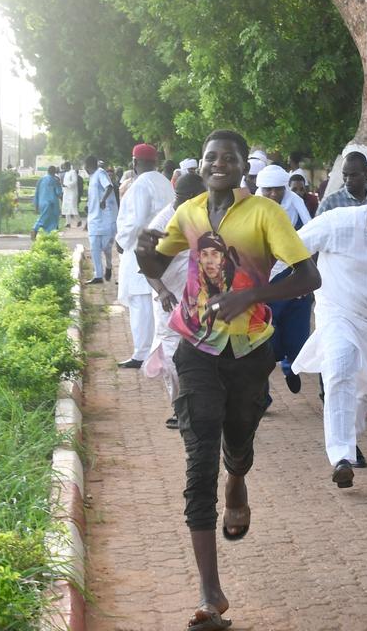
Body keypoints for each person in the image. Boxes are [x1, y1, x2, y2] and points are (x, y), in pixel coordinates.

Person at [134, 129, 320, 631]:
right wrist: (142, 252)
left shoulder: (265, 213)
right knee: (199, 456)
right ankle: (210, 594)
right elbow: (158, 261)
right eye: (211, 157)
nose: (219, 164)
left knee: (238, 436)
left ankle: (238, 478)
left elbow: (308, 277)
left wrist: (250, 295)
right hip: (194, 342)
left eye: (229, 158)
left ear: (243, 167)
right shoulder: (190, 210)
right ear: (203, 164)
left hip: (250, 347)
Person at [292, 179, 367, 486]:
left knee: (364, 389)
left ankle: (349, 436)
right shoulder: (339, 223)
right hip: (337, 309)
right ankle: (341, 457)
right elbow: (291, 247)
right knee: (341, 367)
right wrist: (262, 283)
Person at [144, 172, 207, 430]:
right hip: (168, 300)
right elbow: (147, 268)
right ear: (190, 197)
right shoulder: (163, 223)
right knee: (172, 356)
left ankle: (199, 407)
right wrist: (162, 291)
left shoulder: (199, 215)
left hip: (195, 298)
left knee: (201, 351)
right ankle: (180, 409)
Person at [116, 145, 177, 369]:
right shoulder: (163, 181)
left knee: (141, 303)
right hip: (162, 251)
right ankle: (153, 352)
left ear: (134, 162)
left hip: (140, 249)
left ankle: (141, 354)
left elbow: (137, 220)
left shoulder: (140, 184)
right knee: (151, 305)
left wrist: (121, 240)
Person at [257, 165, 314, 394]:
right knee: (265, 340)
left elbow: (311, 246)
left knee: (298, 337)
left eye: (278, 190)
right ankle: (263, 396)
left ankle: (291, 367)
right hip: (262, 284)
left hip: (294, 281)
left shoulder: (298, 212)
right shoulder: (251, 212)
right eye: (267, 190)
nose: (273, 195)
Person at [86, 155, 118, 283]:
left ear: (88, 165)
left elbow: (109, 187)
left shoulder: (100, 173)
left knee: (106, 247)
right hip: (93, 219)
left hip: (106, 218)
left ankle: (109, 266)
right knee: (94, 246)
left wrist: (103, 200)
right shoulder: (92, 177)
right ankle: (98, 275)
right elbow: (93, 196)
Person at [31, 166, 62, 241]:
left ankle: (50, 237)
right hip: (51, 203)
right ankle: (34, 230)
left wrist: (36, 205)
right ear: (54, 172)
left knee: (45, 218)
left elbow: (37, 192)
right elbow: (59, 193)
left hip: (41, 202)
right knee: (50, 219)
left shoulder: (41, 179)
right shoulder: (55, 180)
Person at [61, 161, 80, 228]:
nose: (64, 168)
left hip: (72, 192)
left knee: (73, 206)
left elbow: (74, 182)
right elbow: (64, 182)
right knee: (66, 207)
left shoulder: (73, 172)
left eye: (64, 166)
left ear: (68, 166)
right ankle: (68, 223)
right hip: (66, 192)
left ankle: (78, 220)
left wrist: (66, 185)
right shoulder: (66, 173)